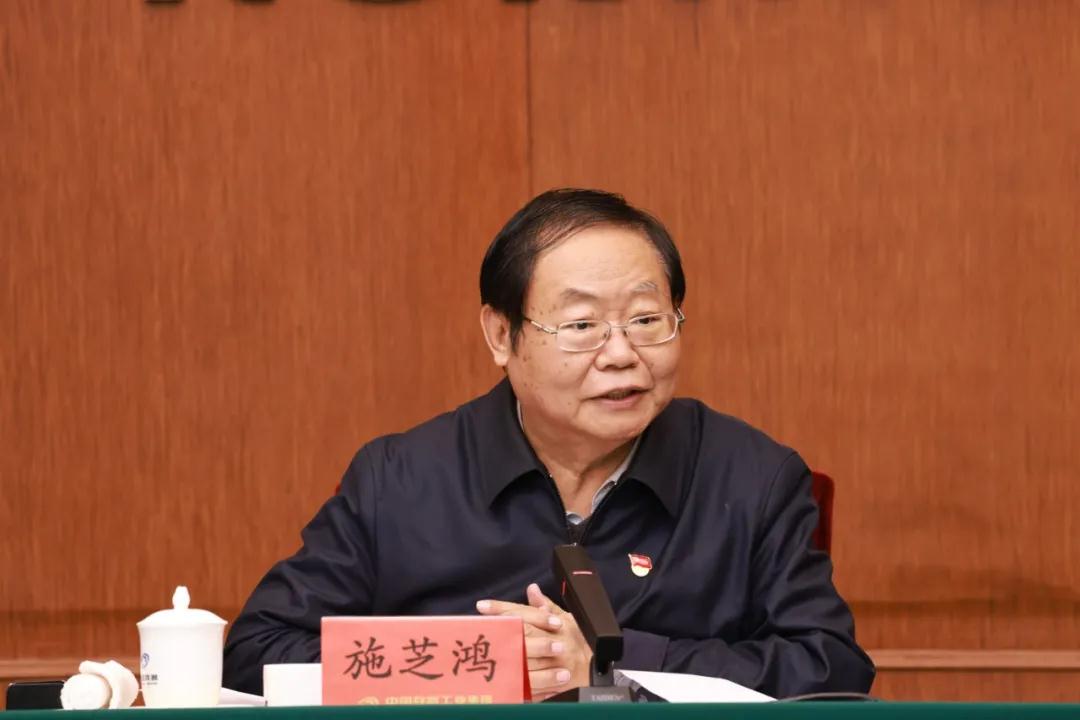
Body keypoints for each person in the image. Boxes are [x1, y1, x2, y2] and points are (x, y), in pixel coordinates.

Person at [222, 188, 875, 699]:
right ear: (501, 335)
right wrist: (475, 664)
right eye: (582, 325)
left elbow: (831, 669)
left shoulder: (754, 479)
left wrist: (614, 662)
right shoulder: (399, 480)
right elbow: (257, 653)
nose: (621, 354)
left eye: (646, 319)